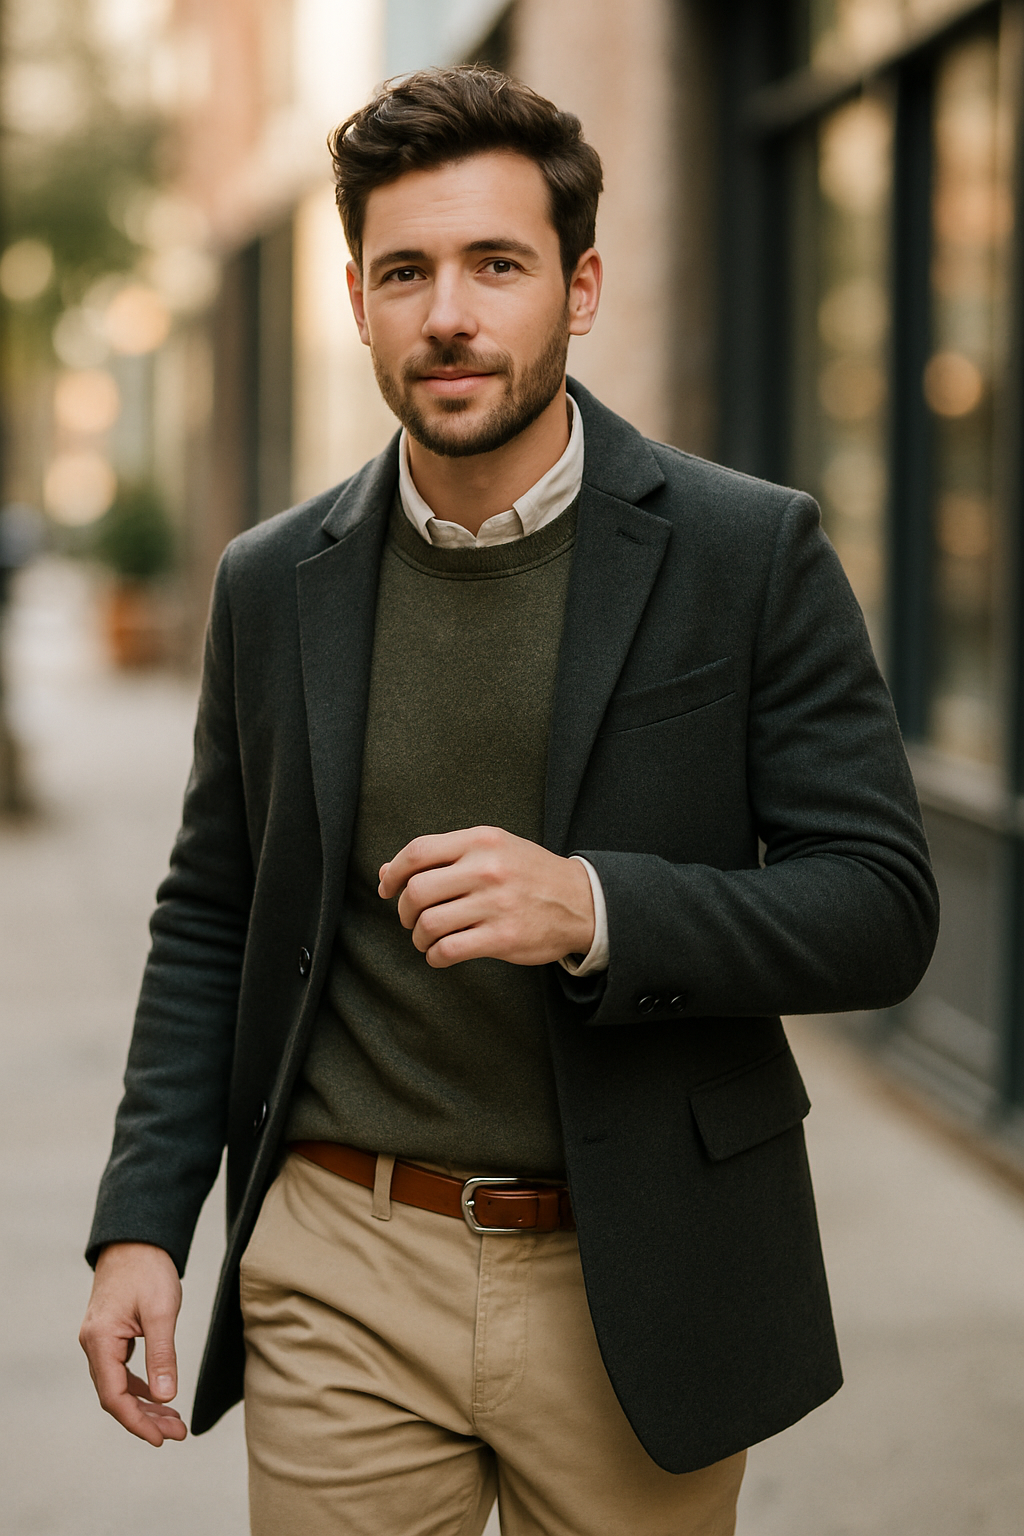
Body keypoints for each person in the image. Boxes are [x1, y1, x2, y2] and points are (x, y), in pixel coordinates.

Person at [80, 66, 939, 1536]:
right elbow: (210, 909)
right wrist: (142, 1221)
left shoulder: (749, 552)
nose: (449, 315)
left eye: (497, 264)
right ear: (356, 299)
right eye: (405, 272)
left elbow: (881, 907)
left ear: (581, 286)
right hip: (343, 1260)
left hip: (638, 1274)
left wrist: (598, 907)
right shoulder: (268, 583)